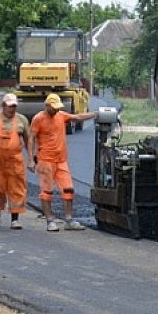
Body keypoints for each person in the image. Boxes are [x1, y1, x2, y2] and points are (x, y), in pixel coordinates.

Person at [30, 93, 97, 232]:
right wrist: (31, 159)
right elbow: (31, 138)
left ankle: (69, 220)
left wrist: (96, 114)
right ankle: (50, 220)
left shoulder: (61, 115)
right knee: (47, 191)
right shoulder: (38, 119)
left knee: (68, 189)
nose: (56, 110)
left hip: (61, 160)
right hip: (45, 160)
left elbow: (77, 117)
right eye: (53, 108)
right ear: (47, 105)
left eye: (57, 107)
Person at [0, 93, 34, 230]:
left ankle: (15, 219)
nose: (12, 109)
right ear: (3, 105)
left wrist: (31, 159)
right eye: (9, 106)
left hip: (15, 159)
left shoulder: (22, 120)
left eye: (14, 106)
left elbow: (29, 140)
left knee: (17, 189)